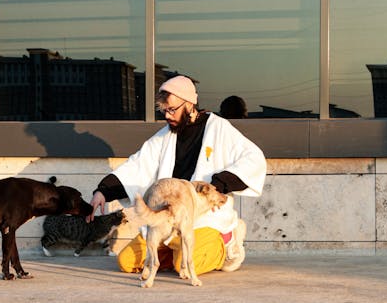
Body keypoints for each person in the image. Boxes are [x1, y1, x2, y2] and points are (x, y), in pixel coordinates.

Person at [89, 75, 266, 276]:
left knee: (186, 264)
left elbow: (254, 158)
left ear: (190, 104)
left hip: (204, 220)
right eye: (164, 110)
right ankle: (176, 252)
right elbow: (138, 166)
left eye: (172, 109)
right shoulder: (164, 136)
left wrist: (219, 183)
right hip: (167, 218)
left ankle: (228, 243)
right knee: (127, 261)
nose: (167, 115)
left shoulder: (219, 128)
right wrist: (103, 191)